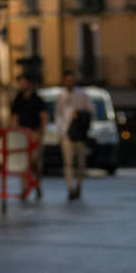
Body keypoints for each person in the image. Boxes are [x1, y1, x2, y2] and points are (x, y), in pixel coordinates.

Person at [55, 69, 92, 200]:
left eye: (71, 80)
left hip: (79, 134)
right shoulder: (61, 96)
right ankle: (70, 188)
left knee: (80, 163)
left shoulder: (82, 95)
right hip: (66, 134)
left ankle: (79, 186)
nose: (69, 82)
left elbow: (90, 111)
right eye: (67, 80)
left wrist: (79, 115)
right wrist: (60, 132)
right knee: (68, 163)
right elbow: (58, 116)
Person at [10, 73, 48, 200]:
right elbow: (14, 117)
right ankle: (25, 188)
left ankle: (36, 185)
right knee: (23, 164)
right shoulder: (18, 99)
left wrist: (40, 133)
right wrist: (14, 133)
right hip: (22, 135)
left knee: (35, 163)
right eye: (19, 82)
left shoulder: (37, 99)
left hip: (34, 133)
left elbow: (43, 117)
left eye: (23, 82)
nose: (21, 85)